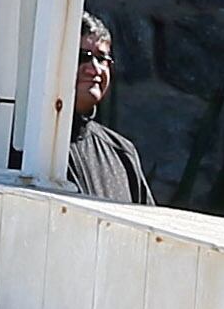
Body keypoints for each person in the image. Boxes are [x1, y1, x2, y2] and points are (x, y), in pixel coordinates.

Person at [63, 17, 155, 205]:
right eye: (82, 57)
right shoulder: (16, 147)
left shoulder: (122, 154)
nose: (94, 69)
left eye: (101, 58)